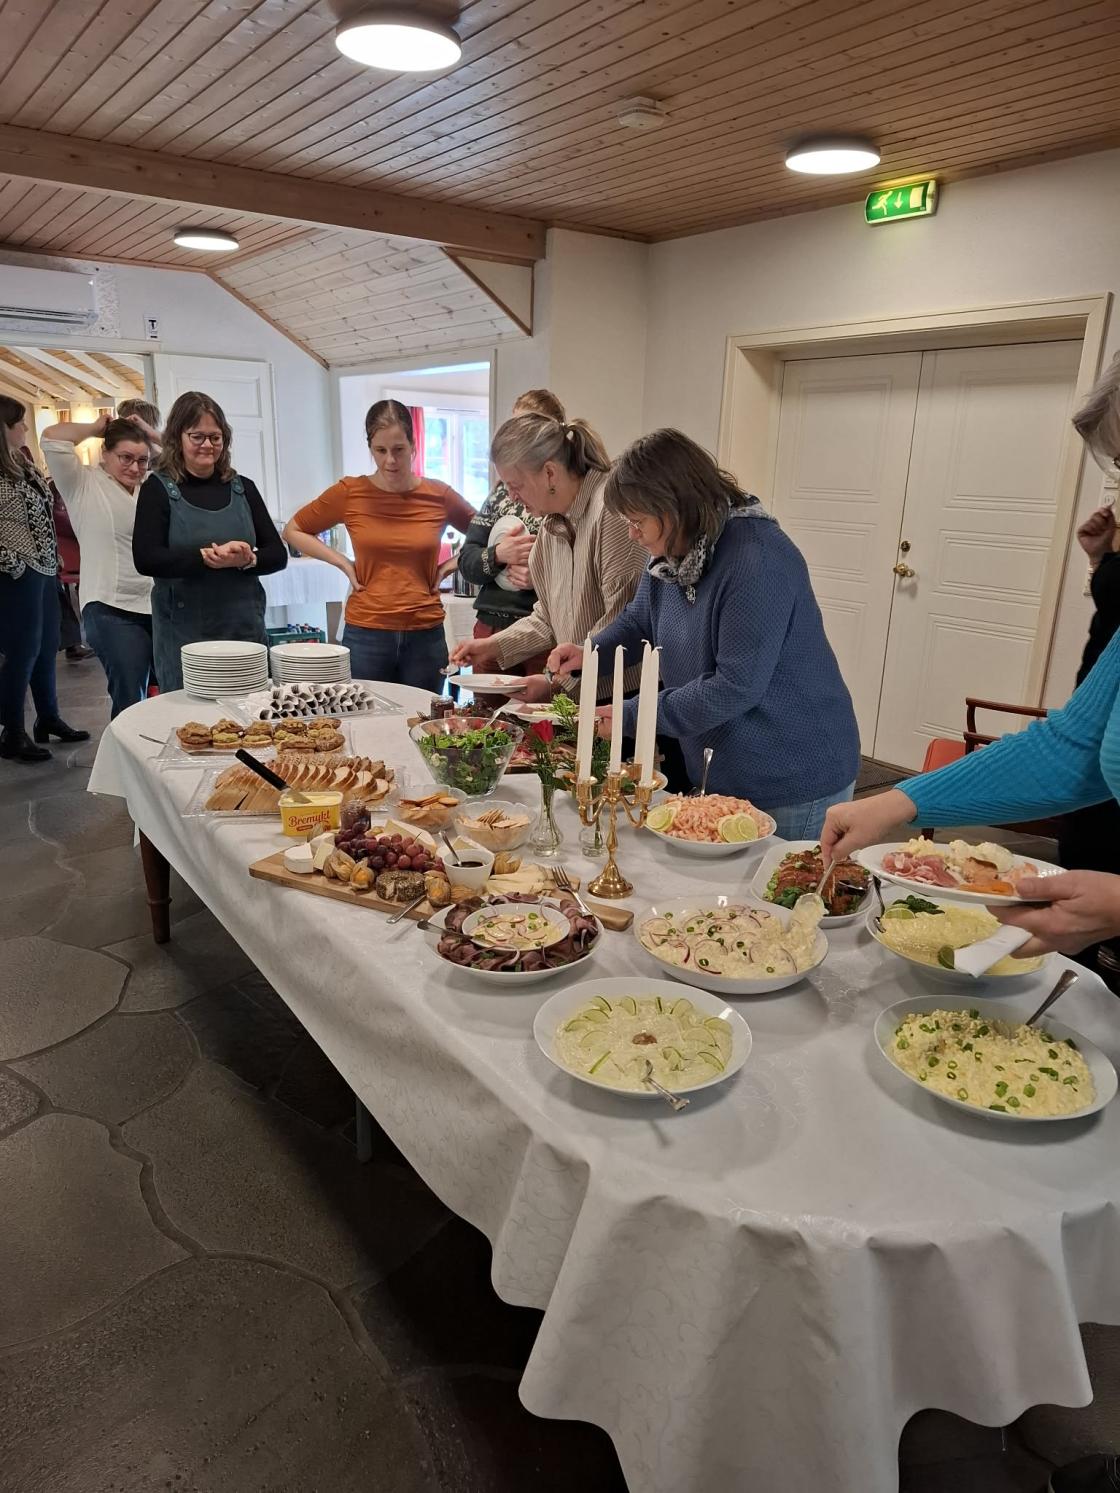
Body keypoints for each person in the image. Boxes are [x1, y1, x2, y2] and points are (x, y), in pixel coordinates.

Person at [548, 429, 861, 837]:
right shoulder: (671, 554)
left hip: (791, 775)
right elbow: (640, 622)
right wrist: (589, 654)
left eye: (638, 521)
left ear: (675, 506)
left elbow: (734, 686)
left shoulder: (757, 559)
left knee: (779, 880)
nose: (632, 534)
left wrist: (632, 715)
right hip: (728, 768)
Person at [449, 413, 644, 701]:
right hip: (582, 692)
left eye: (516, 486)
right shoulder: (551, 525)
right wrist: (492, 646)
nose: (511, 497)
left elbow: (621, 623)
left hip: (622, 697)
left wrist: (553, 682)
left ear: (550, 473)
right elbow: (546, 619)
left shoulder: (609, 510)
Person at [283, 399, 473, 692]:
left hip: (424, 632)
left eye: (399, 449)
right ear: (370, 447)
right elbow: (293, 530)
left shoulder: (439, 495)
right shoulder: (350, 492)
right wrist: (342, 562)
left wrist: (449, 566)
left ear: (413, 445)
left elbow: (486, 534)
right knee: (366, 716)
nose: (390, 461)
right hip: (366, 632)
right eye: (380, 450)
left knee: (425, 717)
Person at [132, 391, 286, 692]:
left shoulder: (244, 488)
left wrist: (247, 559)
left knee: (250, 710)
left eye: (215, 437)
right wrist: (205, 558)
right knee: (190, 713)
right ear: (177, 437)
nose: (207, 445)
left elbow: (278, 555)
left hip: (243, 627)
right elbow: (146, 559)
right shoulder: (157, 489)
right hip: (184, 632)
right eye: (197, 436)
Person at [40, 414, 157, 718]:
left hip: (158, 604)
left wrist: (149, 432)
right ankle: (125, 750)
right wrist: (96, 428)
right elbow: (52, 437)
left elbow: (184, 457)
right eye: (125, 458)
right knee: (130, 695)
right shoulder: (83, 482)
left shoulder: (151, 486)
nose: (135, 468)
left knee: (168, 692)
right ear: (105, 453)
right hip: (110, 606)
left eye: (142, 460)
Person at [0, 396, 89, 761]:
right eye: (19, 422)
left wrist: (50, 557)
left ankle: (48, 718)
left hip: (44, 569)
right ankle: (12, 731)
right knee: (21, 652)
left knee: (47, 645)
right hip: (16, 575)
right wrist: (13, 562)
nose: (25, 428)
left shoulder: (21, 463)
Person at [457, 389, 564, 667]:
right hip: (491, 625)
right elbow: (467, 562)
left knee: (543, 695)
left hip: (545, 632)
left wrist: (539, 577)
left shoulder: (564, 499)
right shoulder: (499, 495)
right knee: (483, 698)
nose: (517, 439)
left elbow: (580, 578)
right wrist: (498, 554)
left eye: (529, 430)